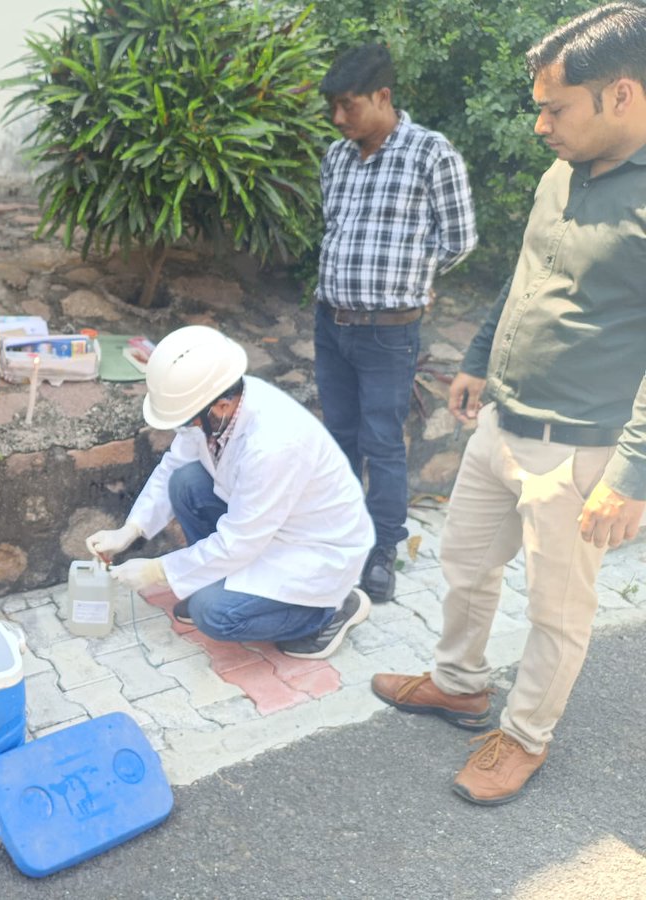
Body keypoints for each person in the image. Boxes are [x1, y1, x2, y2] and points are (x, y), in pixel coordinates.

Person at [373, 2, 646, 806]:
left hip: (577, 449)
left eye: (555, 108)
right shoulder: (561, 173)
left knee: (556, 609)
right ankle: (459, 684)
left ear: (621, 95)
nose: (540, 126)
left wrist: (632, 475)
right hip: (502, 421)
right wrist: (479, 360)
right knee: (464, 563)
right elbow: (526, 274)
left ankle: (524, 736)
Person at [85, 326, 375, 660]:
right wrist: (130, 530)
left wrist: (158, 572)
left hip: (312, 550)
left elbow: (239, 542)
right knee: (185, 481)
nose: (186, 428)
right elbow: (172, 466)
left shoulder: (274, 445)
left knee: (213, 614)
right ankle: (217, 582)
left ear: (221, 407)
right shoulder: (216, 405)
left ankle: (329, 612)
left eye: (189, 421)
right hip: (265, 527)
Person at [314, 43, 477, 603]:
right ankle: (338, 535)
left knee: (381, 440)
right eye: (333, 107)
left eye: (349, 105)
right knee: (338, 435)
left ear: (383, 96)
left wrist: (414, 280)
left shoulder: (431, 153)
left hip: (389, 331)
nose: (338, 118)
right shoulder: (337, 157)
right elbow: (334, 226)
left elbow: (459, 238)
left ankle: (383, 548)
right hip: (330, 323)